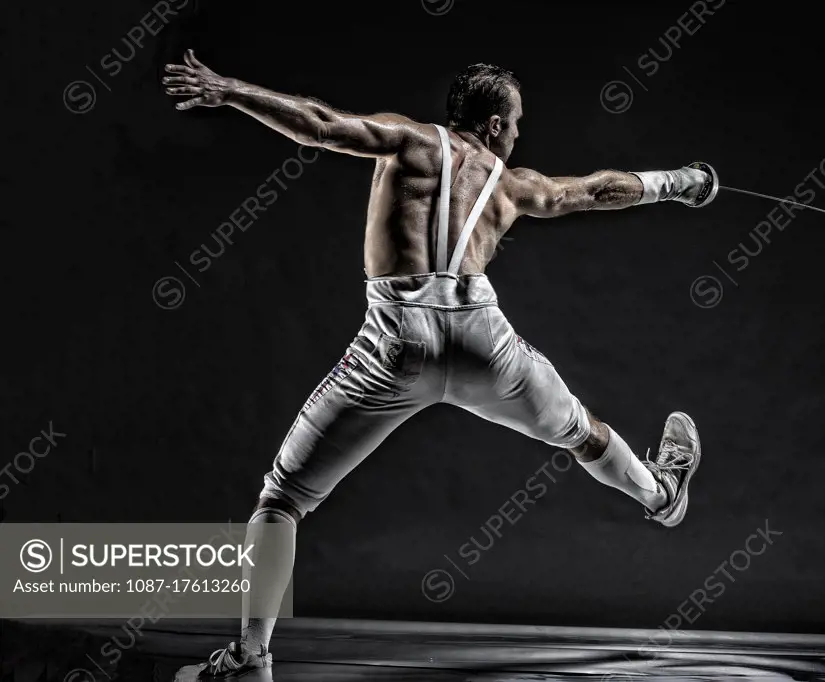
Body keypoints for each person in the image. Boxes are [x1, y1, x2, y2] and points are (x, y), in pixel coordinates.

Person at [163, 49, 716, 678]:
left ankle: (248, 659)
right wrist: (683, 182)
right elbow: (592, 191)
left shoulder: (408, 143)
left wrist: (229, 89)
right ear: (489, 125)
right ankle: (661, 495)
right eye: (514, 123)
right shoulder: (511, 185)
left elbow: (318, 122)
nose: (517, 135)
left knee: (283, 498)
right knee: (581, 433)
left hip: (395, 343)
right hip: (483, 338)